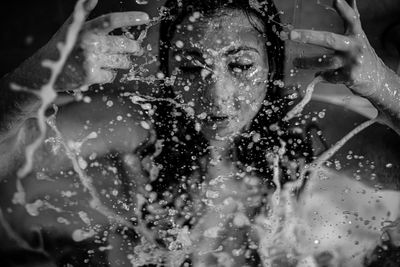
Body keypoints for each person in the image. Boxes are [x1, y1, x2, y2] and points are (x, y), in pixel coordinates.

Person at [0, 0, 399, 266]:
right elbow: (10, 161)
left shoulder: (300, 121)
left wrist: (383, 87)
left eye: (241, 66)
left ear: (272, 68)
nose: (217, 96)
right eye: (191, 68)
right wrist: (37, 77)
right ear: (167, 68)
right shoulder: (136, 119)